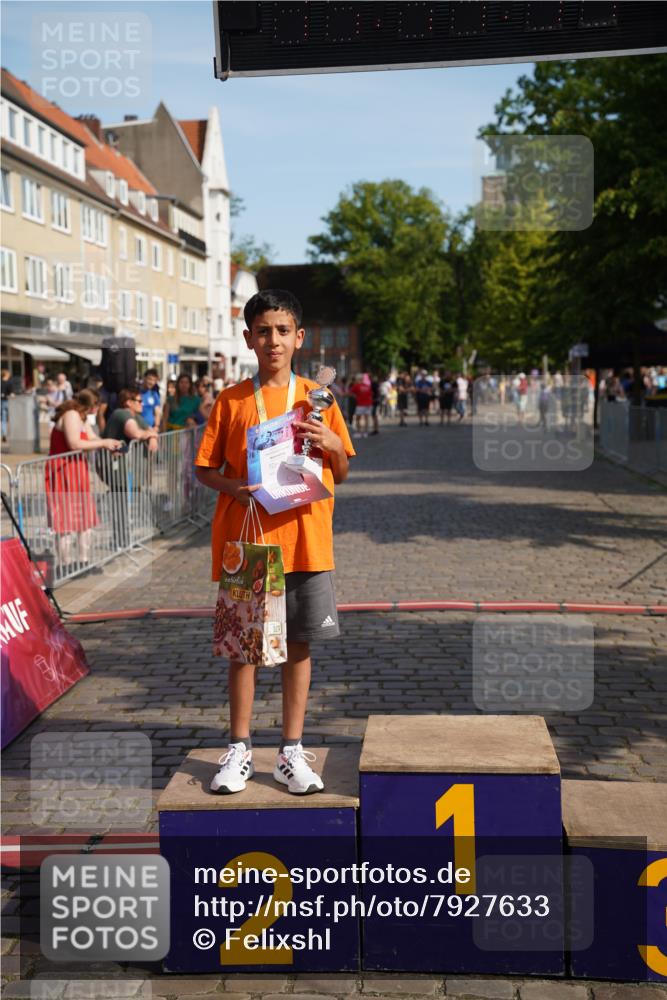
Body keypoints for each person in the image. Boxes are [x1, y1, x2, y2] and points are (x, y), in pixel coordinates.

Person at [195, 288, 355, 796]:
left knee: (299, 647)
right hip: (252, 540)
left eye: (283, 331)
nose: (273, 340)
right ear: (248, 338)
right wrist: (235, 490)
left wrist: (332, 445)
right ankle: (240, 748)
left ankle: (290, 750)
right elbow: (205, 469)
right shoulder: (233, 400)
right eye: (263, 331)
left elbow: (343, 471)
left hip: (307, 541)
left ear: (299, 337)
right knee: (244, 648)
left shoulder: (318, 400)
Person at [46, 390, 122, 568]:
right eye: (97, 405)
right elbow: (75, 443)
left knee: (84, 516)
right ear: (91, 405)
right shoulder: (71, 415)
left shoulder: (82, 417)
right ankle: (66, 564)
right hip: (62, 469)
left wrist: (108, 444)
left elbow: (92, 438)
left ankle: (83, 561)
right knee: (64, 521)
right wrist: (103, 443)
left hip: (76, 468)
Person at [350, 373, 372, 437]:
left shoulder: (357, 386)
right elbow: (370, 395)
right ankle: (365, 433)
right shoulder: (367, 386)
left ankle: (359, 432)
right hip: (368, 404)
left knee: (358, 419)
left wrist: (355, 396)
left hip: (360, 404)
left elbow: (350, 392)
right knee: (366, 418)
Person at [1, 369, 14, 441]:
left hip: (1, 401)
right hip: (7, 402)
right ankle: (8, 434)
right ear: (6, 375)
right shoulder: (9, 383)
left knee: (3, 419)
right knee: (9, 419)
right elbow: (12, 394)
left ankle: (4, 433)